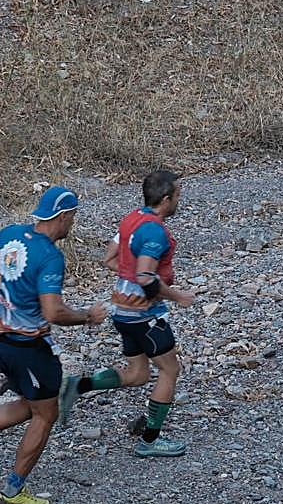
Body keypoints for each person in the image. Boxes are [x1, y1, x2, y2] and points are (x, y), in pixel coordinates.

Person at [0, 186, 106, 504]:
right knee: (46, 414)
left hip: (0, 341)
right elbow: (53, 312)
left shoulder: (10, 234)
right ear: (62, 216)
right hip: (29, 346)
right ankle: (11, 493)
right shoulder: (50, 256)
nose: (72, 224)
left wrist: (0, 295)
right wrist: (87, 317)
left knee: (33, 403)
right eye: (72, 217)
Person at [57, 170, 195, 456]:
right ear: (166, 199)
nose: (180, 200)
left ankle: (77, 385)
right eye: (178, 195)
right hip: (146, 315)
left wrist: (131, 279)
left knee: (138, 373)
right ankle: (150, 441)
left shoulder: (131, 219)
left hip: (122, 311)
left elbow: (110, 259)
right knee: (170, 370)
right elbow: (146, 276)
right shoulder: (155, 231)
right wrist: (177, 295)